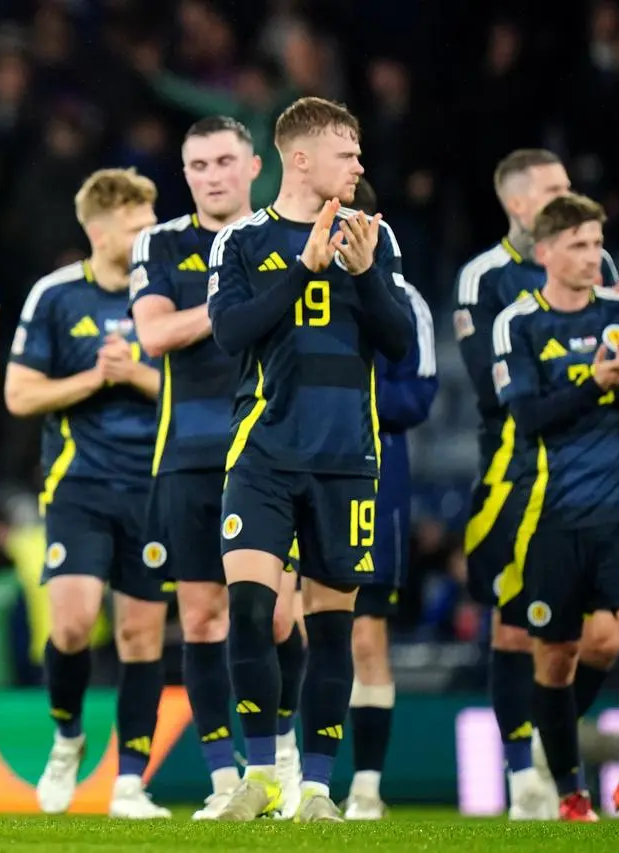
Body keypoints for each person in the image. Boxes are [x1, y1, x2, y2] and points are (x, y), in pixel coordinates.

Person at [206, 96, 413, 822]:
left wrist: (361, 274)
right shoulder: (240, 242)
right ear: (300, 158)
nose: (359, 164)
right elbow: (231, 333)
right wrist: (303, 268)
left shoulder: (375, 241)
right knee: (252, 611)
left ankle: (320, 788)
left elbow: (401, 347)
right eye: (346, 151)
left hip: (346, 457)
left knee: (332, 629)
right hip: (263, 451)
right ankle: (260, 773)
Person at [129, 116, 306, 820]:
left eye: (224, 161)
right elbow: (153, 333)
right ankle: (221, 777)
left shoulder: (281, 238)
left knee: (277, 619)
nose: (212, 175)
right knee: (201, 620)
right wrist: (239, 306)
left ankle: (284, 758)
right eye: (198, 164)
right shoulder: (161, 242)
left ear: (254, 165)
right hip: (190, 454)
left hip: (270, 449)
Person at [454, 149, 619, 818]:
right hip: (516, 468)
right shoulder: (485, 277)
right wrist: (589, 378)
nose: (569, 197)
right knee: (515, 631)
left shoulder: (600, 267)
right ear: (518, 204)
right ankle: (524, 770)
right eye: (555, 191)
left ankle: (547, 737)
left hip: (597, 469)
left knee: (606, 638)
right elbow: (492, 388)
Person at [491, 193, 619, 823]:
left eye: (597, 243)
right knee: (559, 657)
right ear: (545, 252)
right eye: (578, 245)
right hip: (552, 516)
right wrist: (596, 382)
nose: (592, 256)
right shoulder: (518, 323)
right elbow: (527, 416)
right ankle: (569, 792)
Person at [4, 168, 171, 819]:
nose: (149, 236)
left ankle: (130, 781)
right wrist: (91, 381)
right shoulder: (55, 296)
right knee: (71, 625)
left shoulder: (170, 294)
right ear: (99, 230)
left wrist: (138, 375)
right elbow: (20, 395)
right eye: (137, 227)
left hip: (155, 486)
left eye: (152, 224)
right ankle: (68, 736)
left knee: (140, 636)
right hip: (78, 484)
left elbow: (203, 395)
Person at [341, 178, 439, 820]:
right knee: (284, 625)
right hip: (294, 472)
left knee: (366, 638)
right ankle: (292, 772)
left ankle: (367, 787)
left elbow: (418, 397)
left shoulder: (405, 300)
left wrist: (347, 394)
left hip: (377, 480)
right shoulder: (294, 288)